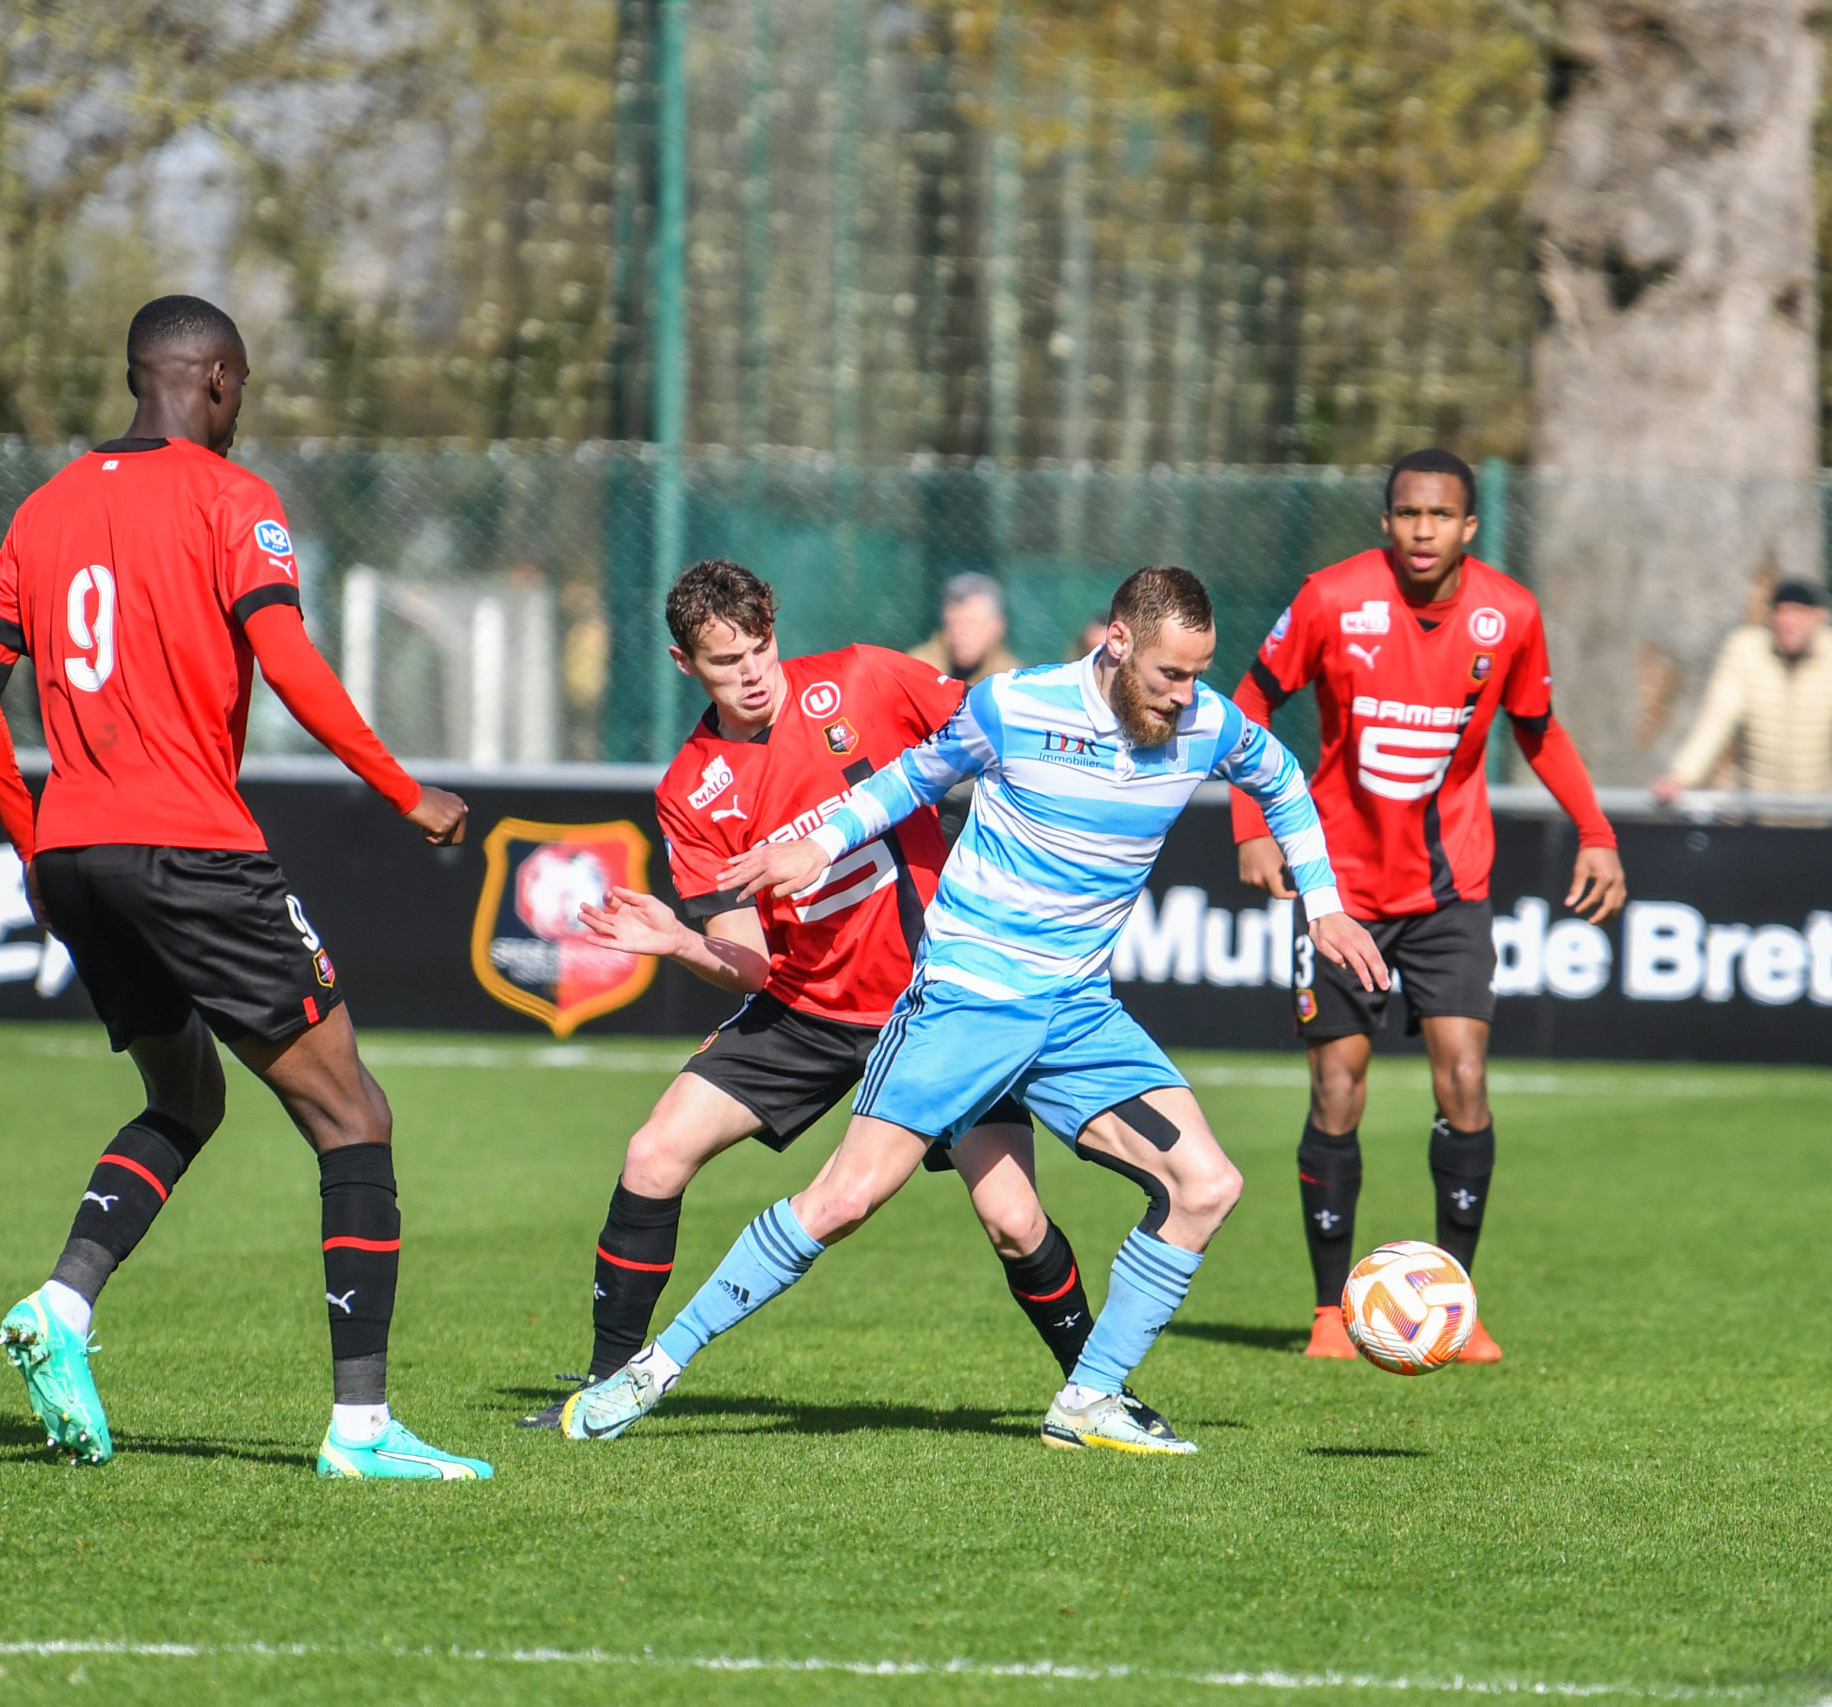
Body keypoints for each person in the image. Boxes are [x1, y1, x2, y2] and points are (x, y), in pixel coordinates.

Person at [558, 565, 1386, 1455]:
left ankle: (1089, 1400)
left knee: (1206, 1186)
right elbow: (912, 777)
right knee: (843, 1200)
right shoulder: (1013, 707)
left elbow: (1283, 775)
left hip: (1078, 1011)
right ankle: (654, 1367)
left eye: (1198, 673)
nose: (1188, 696)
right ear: (1117, 645)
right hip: (966, 998)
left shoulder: (1209, 721)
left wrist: (1325, 901)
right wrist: (821, 841)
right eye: (1169, 676)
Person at [0, 294, 490, 1480]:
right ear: (220, 383)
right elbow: (285, 656)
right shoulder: (230, 499)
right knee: (354, 1118)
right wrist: (405, 791)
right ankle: (362, 1432)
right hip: (192, 850)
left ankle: (64, 1306)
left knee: (185, 1097)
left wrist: (33, 838)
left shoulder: (43, 508)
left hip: (80, 856)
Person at [525, 558, 1140, 1430]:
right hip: (806, 1010)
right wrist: (675, 940)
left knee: (1012, 1217)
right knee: (653, 1153)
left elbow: (998, 733)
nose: (750, 671)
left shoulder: (864, 676)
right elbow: (748, 964)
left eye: (760, 645)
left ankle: (1097, 1392)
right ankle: (604, 1386)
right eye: (723, 659)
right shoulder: (689, 791)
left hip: (940, 1002)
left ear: (776, 626)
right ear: (683, 663)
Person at [1233, 448, 1626, 1365]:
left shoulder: (1510, 612)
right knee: (1338, 1086)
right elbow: (1251, 701)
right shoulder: (1330, 598)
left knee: (1466, 1079)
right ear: (1385, 520)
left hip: (1451, 889)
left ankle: (1457, 1303)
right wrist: (1251, 823)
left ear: (1469, 527)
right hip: (1340, 893)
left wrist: (1598, 831)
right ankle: (1332, 1312)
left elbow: (1539, 729)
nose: (1422, 530)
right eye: (1407, 513)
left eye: (1440, 516)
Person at [1652, 579, 1832, 812]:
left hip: (1821, 814)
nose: (1787, 621)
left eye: (1797, 612)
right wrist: (1680, 777)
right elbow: (1717, 719)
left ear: (1819, 618)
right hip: (1757, 814)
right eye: (1781, 612)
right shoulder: (1744, 651)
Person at [906, 571, 1019, 686]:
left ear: (997, 626)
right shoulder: (915, 668)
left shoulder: (1011, 682)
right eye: (954, 623)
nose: (961, 632)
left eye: (972, 623)